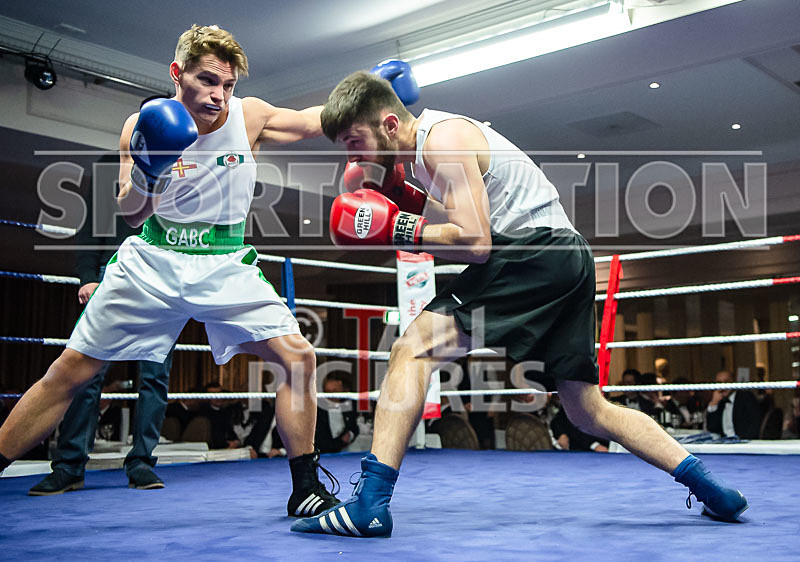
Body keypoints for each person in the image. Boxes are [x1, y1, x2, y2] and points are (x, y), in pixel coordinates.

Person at [291, 68, 747, 537]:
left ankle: (369, 504)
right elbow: (463, 224)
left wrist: (398, 227)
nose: (353, 155)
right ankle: (713, 489)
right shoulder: (433, 149)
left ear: (388, 125)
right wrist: (406, 201)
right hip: (566, 258)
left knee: (413, 349)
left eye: (353, 140)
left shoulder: (441, 140)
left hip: (531, 252)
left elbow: (475, 243)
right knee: (587, 410)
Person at [0, 24, 339, 517]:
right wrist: (148, 167)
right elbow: (132, 213)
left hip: (224, 260)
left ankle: (305, 487)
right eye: (207, 81)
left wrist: (366, 94)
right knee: (70, 371)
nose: (218, 95)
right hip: (153, 259)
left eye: (227, 85)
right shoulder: (139, 125)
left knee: (299, 358)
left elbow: (314, 121)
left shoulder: (250, 116)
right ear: (178, 73)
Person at [29, 153, 174, 495]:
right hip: (112, 278)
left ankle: (141, 462)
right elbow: (92, 222)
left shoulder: (185, 166)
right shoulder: (112, 167)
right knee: (85, 374)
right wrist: (87, 275)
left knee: (154, 377)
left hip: (162, 282)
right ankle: (69, 465)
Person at [705, 370, 761, 439]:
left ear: (733, 382)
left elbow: (755, 424)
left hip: (741, 442)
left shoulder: (745, 397)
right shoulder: (719, 401)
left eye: (726, 382)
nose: (723, 386)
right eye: (719, 382)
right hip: (723, 443)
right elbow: (712, 429)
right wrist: (713, 403)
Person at [315, 375, 359, 454]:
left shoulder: (349, 406)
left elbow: (354, 427)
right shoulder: (318, 411)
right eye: (328, 392)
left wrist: (350, 435)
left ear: (342, 391)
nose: (332, 395)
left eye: (335, 391)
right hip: (325, 454)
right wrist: (341, 442)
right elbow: (321, 441)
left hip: (347, 453)